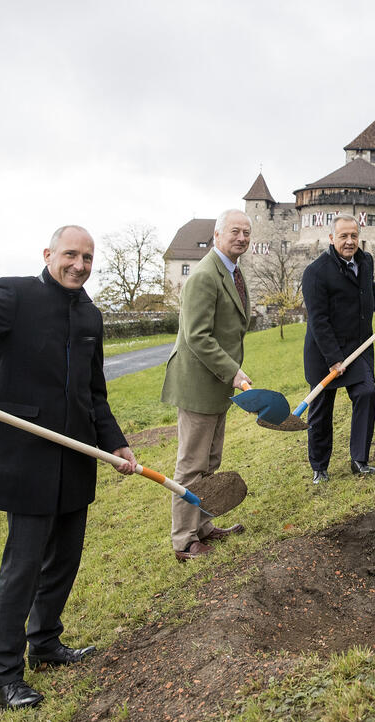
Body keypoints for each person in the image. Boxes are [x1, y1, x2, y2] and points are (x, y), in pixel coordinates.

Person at [0, 224, 137, 711]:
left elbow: (94, 393)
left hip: (77, 456)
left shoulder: (90, 314)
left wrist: (117, 444)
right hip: (26, 458)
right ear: (48, 254)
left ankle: (45, 644)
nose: (79, 265)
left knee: (64, 559)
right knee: (22, 569)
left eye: (87, 258)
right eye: (70, 255)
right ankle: (7, 675)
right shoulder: (15, 295)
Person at [160, 209, 251, 562]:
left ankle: (203, 527)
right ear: (217, 235)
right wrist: (233, 372)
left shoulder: (233, 271)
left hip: (218, 384)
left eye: (246, 232)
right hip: (199, 383)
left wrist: (230, 374)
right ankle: (184, 539)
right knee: (191, 465)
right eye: (234, 232)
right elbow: (196, 337)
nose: (241, 238)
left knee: (210, 461)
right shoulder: (203, 276)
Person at [301, 214, 375, 484]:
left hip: (358, 347)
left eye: (353, 236)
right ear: (331, 238)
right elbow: (318, 321)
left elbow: (371, 291)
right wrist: (333, 359)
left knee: (367, 393)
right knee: (321, 411)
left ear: (359, 237)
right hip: (324, 353)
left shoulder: (365, 261)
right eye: (343, 236)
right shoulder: (315, 273)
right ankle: (319, 467)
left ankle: (359, 460)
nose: (349, 241)